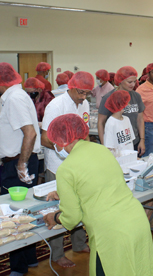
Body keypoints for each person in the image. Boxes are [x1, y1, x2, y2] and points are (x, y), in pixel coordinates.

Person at [43, 114, 153, 276]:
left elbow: (72, 217)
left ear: (60, 142)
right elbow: (98, 183)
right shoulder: (101, 149)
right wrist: (65, 193)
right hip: (137, 221)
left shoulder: (66, 169)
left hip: (112, 233)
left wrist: (54, 217)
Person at [0, 62, 40, 276]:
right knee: (24, 210)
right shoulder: (15, 97)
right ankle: (29, 258)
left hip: (19, 161)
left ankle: (18, 267)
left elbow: (29, 133)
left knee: (13, 214)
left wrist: (21, 163)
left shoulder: (14, 99)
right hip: (19, 159)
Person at [41, 71, 92, 268]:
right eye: (80, 92)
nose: (83, 97)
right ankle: (57, 254)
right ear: (70, 87)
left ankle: (79, 243)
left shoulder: (85, 103)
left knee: (79, 202)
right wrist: (63, 149)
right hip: (58, 164)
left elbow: (85, 133)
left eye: (87, 93)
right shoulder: (56, 105)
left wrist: (87, 154)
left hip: (78, 163)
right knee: (59, 207)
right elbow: (45, 137)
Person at [98, 66, 145, 156]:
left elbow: (140, 119)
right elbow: (101, 122)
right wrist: (104, 146)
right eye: (129, 82)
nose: (133, 84)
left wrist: (142, 140)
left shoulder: (136, 96)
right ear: (120, 81)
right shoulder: (109, 97)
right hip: (116, 145)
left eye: (134, 81)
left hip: (131, 141)